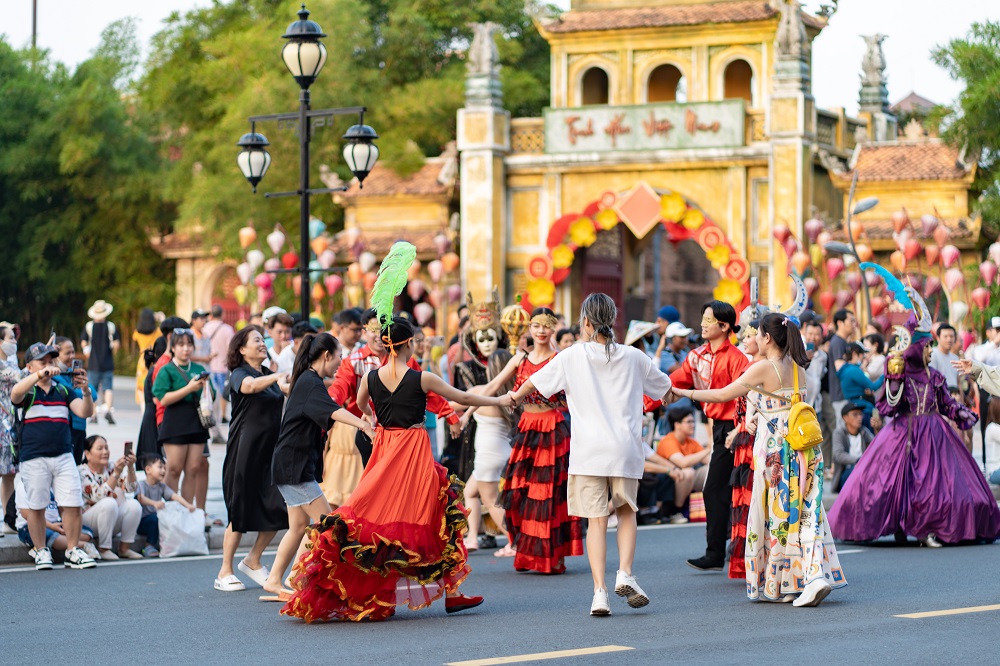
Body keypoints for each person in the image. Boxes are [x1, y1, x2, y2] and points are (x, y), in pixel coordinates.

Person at [281, 319, 511, 621]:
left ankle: (379, 594)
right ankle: (452, 594)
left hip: (385, 448)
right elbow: (462, 398)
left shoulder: (371, 377)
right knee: (436, 516)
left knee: (376, 520)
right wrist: (502, 398)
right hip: (412, 451)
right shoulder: (421, 378)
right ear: (409, 344)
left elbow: (361, 403)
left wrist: (373, 417)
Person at [508, 294, 673, 616]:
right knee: (626, 513)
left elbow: (533, 383)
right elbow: (664, 389)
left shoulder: (571, 356)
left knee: (596, 522)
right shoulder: (633, 356)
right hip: (625, 448)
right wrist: (669, 396)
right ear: (612, 319)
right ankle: (624, 573)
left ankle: (599, 593)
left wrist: (513, 397)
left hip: (587, 452)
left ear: (585, 322)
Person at [676, 313, 846, 606]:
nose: (752, 338)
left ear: (767, 338)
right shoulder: (798, 367)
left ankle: (797, 581)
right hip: (804, 447)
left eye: (756, 334)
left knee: (779, 516)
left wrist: (681, 391)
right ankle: (806, 579)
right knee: (805, 513)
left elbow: (722, 395)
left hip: (777, 449)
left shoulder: (764, 367)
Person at [829, 265, 1000, 547]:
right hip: (903, 433)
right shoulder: (900, 371)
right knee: (893, 483)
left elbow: (946, 403)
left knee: (937, 484)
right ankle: (903, 526)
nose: (931, 351)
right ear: (915, 348)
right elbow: (888, 407)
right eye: (927, 346)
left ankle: (930, 528)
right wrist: (894, 379)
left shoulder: (934, 376)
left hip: (934, 434)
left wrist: (964, 414)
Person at [261, 333, 374, 599]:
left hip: (292, 465)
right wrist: (364, 425)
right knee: (329, 524)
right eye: (338, 358)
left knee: (299, 527)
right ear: (326, 356)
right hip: (293, 467)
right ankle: (304, 579)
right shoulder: (311, 382)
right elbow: (333, 410)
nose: (340, 364)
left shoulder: (308, 381)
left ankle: (280, 579)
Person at [484, 307, 584, 575]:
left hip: (552, 428)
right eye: (536, 325)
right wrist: (463, 408)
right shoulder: (519, 359)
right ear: (529, 328)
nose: (541, 331)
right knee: (522, 490)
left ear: (553, 328)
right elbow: (492, 388)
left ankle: (549, 556)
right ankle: (527, 553)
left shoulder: (561, 359)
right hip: (527, 427)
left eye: (546, 326)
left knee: (548, 493)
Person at [670, 300, 749, 571]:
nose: (702, 324)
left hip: (739, 428)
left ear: (724, 326)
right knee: (721, 490)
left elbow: (744, 399)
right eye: (702, 318)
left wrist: (739, 429)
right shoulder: (696, 356)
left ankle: (720, 551)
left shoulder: (737, 358)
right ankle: (723, 549)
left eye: (708, 319)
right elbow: (674, 382)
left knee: (721, 489)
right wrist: (646, 399)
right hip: (720, 429)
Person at [215, 326, 290, 592]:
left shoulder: (268, 374)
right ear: (242, 349)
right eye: (256, 340)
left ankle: (253, 560)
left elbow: (284, 390)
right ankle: (224, 571)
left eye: (262, 339)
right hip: (244, 451)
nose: (262, 343)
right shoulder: (240, 374)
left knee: (279, 510)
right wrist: (277, 377)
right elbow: (249, 387)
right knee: (240, 510)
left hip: (270, 451)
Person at [11, 342, 96, 570]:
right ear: (29, 366)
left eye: (51, 361)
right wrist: (38, 375)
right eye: (42, 361)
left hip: (63, 454)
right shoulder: (27, 389)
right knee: (36, 506)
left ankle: (72, 550)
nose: (48, 365)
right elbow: (15, 393)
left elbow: (85, 411)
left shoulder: (62, 390)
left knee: (73, 503)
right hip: (33, 456)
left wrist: (85, 390)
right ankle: (41, 551)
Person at [458, 349, 517, 555]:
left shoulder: (480, 391)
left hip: (487, 454)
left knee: (492, 502)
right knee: (470, 492)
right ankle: (472, 536)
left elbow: (455, 402)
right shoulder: (514, 393)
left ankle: (515, 543)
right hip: (504, 452)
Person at [152, 328, 213, 506]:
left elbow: (212, 395)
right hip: (174, 422)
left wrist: (206, 388)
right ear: (173, 348)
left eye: (189, 345)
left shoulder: (199, 368)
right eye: (180, 345)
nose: (185, 349)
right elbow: (162, 398)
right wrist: (189, 389)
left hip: (197, 421)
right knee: (174, 469)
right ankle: (170, 511)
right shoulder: (167, 370)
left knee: (193, 469)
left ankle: (187, 511)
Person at [78, 435, 142, 559]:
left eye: (106, 448)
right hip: (87, 522)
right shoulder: (82, 472)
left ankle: (124, 548)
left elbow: (131, 488)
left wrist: (130, 468)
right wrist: (116, 474)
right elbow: (97, 497)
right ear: (87, 454)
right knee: (109, 502)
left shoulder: (111, 467)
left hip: (109, 518)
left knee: (134, 506)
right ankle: (104, 548)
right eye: (100, 448)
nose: (105, 452)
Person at [14, 476, 100, 560]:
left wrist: (66, 524)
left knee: (87, 532)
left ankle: (61, 541)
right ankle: (82, 545)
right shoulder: (23, 484)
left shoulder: (53, 484)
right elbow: (26, 514)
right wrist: (51, 526)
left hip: (56, 523)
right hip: (30, 527)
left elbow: (62, 509)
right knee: (49, 535)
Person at [655, 406, 710, 523]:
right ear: (677, 424)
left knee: (711, 470)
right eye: (689, 422)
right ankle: (675, 511)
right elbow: (683, 463)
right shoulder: (668, 441)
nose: (693, 425)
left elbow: (709, 460)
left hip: (683, 481)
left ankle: (715, 507)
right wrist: (707, 449)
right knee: (688, 472)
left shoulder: (691, 441)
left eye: (693, 421)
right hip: (666, 482)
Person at [136, 454, 197, 557]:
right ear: (148, 469)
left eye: (164, 468)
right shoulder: (141, 484)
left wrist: (188, 505)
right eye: (160, 467)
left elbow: (174, 496)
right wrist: (154, 503)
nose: (163, 471)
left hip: (156, 519)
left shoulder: (161, 487)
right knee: (154, 520)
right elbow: (140, 498)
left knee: (166, 519)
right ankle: (148, 545)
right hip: (143, 521)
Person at [52, 337, 97, 465]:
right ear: (56, 355)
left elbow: (93, 394)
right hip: (67, 429)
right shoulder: (54, 376)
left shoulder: (73, 373)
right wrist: (83, 390)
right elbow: (68, 394)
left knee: (77, 467)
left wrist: (84, 386)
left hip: (80, 429)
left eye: (73, 352)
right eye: (67, 353)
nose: (72, 356)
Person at [81, 299, 121, 425]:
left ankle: (93, 415)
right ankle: (108, 411)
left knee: (92, 388)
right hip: (107, 362)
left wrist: (86, 352)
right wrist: (112, 352)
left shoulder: (89, 326)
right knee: (108, 388)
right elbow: (116, 344)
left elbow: (83, 341)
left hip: (93, 363)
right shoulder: (111, 326)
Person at [837, 342, 883, 431]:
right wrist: (886, 374)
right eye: (862, 354)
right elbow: (873, 386)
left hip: (855, 405)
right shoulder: (853, 370)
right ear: (855, 354)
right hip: (864, 409)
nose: (864, 357)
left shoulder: (846, 368)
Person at [0, 324, 22, 515]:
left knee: (9, 474)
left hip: (10, 426)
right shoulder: (4, 367)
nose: (14, 342)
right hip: (2, 426)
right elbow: (21, 377)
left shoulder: (11, 364)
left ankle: (8, 518)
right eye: (10, 338)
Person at [202, 305, 235, 424]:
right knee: (223, 391)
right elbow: (231, 348)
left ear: (211, 315)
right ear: (222, 314)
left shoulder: (205, 328)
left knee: (210, 391)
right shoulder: (227, 329)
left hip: (208, 365)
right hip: (223, 365)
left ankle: (211, 414)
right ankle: (222, 415)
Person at [137, 337, 168, 463]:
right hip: (154, 417)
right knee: (155, 461)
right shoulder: (159, 370)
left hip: (150, 415)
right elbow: (158, 399)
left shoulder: (154, 369)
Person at [831, 402, 874, 492]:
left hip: (863, 470)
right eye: (855, 415)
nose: (859, 417)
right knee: (856, 471)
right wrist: (858, 461)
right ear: (845, 418)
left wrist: (877, 429)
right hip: (845, 474)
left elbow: (876, 447)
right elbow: (838, 455)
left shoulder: (864, 432)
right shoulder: (839, 433)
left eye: (860, 414)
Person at [133, 308, 161, 409]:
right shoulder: (158, 332)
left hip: (142, 360)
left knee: (141, 385)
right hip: (155, 359)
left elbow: (135, 340)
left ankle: (143, 408)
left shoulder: (137, 333)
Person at [930, 324, 960, 388]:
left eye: (951, 336)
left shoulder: (955, 358)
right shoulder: (932, 354)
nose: (949, 339)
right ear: (938, 338)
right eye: (945, 336)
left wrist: (961, 397)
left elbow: (958, 382)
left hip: (954, 395)